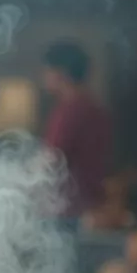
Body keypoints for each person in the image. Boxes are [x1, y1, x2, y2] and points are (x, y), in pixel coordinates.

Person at [40, 41, 115, 227]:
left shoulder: (70, 111)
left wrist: (17, 179)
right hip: (94, 208)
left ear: (61, 73)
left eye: (47, 71)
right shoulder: (95, 108)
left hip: (70, 213)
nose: (44, 77)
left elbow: (52, 160)